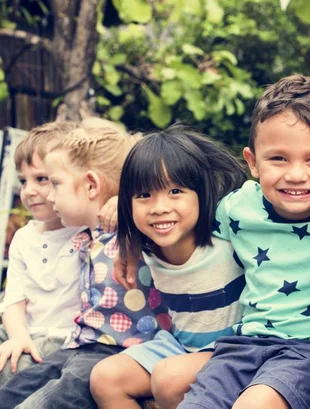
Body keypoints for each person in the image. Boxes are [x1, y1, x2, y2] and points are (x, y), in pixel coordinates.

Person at [152, 74, 310, 409]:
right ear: (252, 162)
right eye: (278, 158)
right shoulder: (237, 208)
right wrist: (123, 220)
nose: (295, 174)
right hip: (244, 344)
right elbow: (179, 225)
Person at [0, 118, 167, 409]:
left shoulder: (136, 227)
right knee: (10, 393)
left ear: (91, 185)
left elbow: (158, 190)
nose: (50, 197)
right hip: (80, 345)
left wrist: (124, 202)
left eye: (53, 184)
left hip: (119, 350)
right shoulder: (85, 234)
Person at [89, 125, 247, 409]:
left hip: (237, 348)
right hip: (181, 345)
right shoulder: (145, 246)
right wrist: (127, 238)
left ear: (202, 192)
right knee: (104, 378)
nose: (159, 207)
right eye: (144, 195)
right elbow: (123, 213)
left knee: (169, 378)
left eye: (175, 191)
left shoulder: (227, 236)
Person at [0, 121, 87, 385]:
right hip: (22, 330)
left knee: (13, 371)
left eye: (42, 179)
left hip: (65, 339)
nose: (30, 191)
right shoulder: (24, 238)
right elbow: (14, 301)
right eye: (23, 181)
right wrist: (18, 336)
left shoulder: (90, 232)